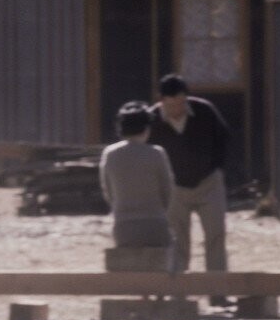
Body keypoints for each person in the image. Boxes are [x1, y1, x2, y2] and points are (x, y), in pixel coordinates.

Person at [147, 75, 232, 299]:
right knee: (177, 240)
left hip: (208, 183)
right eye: (171, 104)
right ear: (161, 101)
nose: (177, 108)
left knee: (216, 236)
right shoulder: (152, 120)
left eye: (181, 102)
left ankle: (218, 292)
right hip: (174, 188)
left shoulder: (204, 111)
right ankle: (178, 293)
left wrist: (216, 168)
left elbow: (223, 138)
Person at [98, 102, 174, 252]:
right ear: (146, 128)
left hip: (123, 228)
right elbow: (168, 191)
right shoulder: (157, 153)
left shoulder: (110, 154)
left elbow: (108, 191)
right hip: (155, 225)